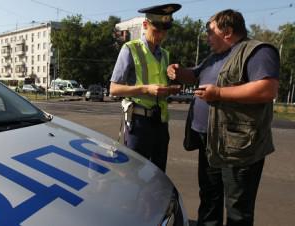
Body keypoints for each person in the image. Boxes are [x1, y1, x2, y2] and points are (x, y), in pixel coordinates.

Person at [167, 9, 279, 226]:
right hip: (209, 142)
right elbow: (196, 75)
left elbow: (267, 89)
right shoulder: (215, 56)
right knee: (209, 199)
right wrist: (179, 72)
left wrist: (218, 94)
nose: (207, 37)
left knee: (238, 209)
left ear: (227, 31)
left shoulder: (257, 51)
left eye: (210, 32)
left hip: (238, 147)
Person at [109, 3, 182, 172]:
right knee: (134, 175)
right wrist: (145, 89)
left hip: (161, 122)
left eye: (164, 31)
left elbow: (160, 85)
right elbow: (113, 89)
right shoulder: (130, 49)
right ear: (145, 25)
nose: (161, 35)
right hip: (139, 123)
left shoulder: (164, 54)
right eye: (156, 30)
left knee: (158, 174)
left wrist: (172, 86)